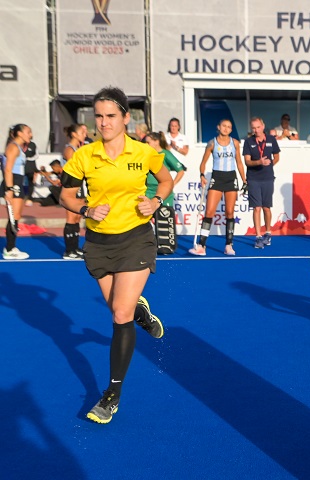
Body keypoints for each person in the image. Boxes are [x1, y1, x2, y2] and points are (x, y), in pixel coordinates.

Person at [59, 86, 173, 424]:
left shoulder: (145, 152)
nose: (104, 122)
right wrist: (85, 208)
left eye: (111, 116)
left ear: (125, 117)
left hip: (136, 238)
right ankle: (142, 309)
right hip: (98, 243)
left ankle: (112, 395)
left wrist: (156, 202)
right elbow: (64, 195)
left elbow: (165, 181)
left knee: (119, 314)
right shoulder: (83, 155)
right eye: (99, 116)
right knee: (120, 307)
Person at [189, 120, 245, 256]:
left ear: (231, 130)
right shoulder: (211, 143)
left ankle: (228, 245)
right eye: (224, 126)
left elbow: (239, 162)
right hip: (217, 178)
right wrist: (202, 174)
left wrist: (244, 180)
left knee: (230, 212)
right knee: (209, 211)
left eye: (229, 127)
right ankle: (202, 245)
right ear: (218, 127)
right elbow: (203, 163)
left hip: (231, 178)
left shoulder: (235, 143)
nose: (226, 129)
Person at [243, 117, 281, 249]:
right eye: (253, 128)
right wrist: (259, 162)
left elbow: (277, 156)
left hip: (268, 178)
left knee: (266, 207)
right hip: (253, 178)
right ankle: (258, 237)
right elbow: (247, 161)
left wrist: (269, 165)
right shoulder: (248, 142)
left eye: (258, 127)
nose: (256, 130)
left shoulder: (271, 139)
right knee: (256, 208)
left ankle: (268, 233)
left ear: (263, 126)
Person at [3, 124, 33, 259]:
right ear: (19, 133)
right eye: (28, 132)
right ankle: (9, 249)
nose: (30, 134)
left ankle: (11, 247)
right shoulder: (13, 147)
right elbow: (8, 169)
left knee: (17, 215)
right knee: (13, 216)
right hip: (13, 182)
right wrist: (9, 189)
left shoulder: (19, 148)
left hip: (18, 182)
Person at [61, 124, 88, 259]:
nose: (85, 133)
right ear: (74, 134)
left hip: (81, 185)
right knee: (71, 217)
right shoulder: (70, 150)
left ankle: (75, 247)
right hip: (73, 185)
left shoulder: (78, 149)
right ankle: (69, 250)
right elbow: (73, 169)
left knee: (77, 216)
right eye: (82, 132)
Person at [144, 131, 186, 207]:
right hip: (148, 192)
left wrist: (172, 184)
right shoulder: (147, 154)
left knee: (163, 216)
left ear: (156, 142)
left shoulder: (165, 154)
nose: (146, 145)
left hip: (163, 193)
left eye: (148, 142)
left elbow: (181, 171)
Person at [23, 141, 38, 207]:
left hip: (30, 166)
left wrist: (28, 158)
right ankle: (22, 197)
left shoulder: (32, 144)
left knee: (31, 183)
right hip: (22, 166)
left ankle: (29, 198)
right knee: (21, 182)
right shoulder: (21, 143)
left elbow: (35, 155)